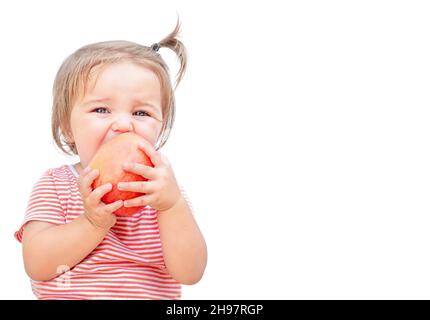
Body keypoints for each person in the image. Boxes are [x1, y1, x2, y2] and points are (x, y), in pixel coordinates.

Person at [14, 19, 207, 300]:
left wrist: (172, 206)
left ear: (161, 127)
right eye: (102, 109)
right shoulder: (56, 185)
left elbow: (190, 273)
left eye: (141, 113)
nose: (123, 125)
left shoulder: (163, 194)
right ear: (67, 127)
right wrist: (92, 224)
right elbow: (38, 265)